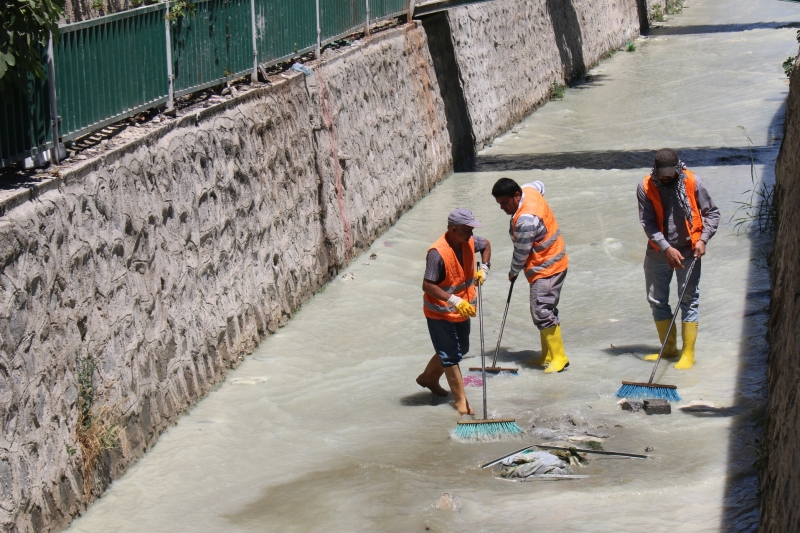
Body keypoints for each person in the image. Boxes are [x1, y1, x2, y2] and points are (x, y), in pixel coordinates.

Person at [637, 148, 720, 369]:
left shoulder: (693, 182)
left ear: (677, 168)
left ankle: (688, 353)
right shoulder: (645, 186)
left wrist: (703, 240)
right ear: (655, 170)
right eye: (661, 173)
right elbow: (647, 223)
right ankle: (669, 348)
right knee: (656, 300)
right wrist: (665, 248)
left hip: (689, 249)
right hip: (658, 251)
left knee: (689, 300)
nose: (665, 177)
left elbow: (712, 214)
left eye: (669, 173)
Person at [416, 208, 491, 415]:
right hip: (439, 312)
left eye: (472, 229)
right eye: (467, 230)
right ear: (453, 229)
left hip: (462, 310)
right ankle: (461, 403)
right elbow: (427, 285)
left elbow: (486, 245)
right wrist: (454, 299)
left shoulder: (470, 241)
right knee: (450, 355)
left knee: (462, 348)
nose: (471, 234)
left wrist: (484, 268)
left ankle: (428, 377)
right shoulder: (437, 253)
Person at [491, 178, 570, 373]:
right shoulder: (529, 190)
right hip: (554, 261)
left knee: (541, 311)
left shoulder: (525, 219)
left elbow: (522, 251)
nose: (502, 207)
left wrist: (512, 272)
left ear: (517, 195)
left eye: (504, 202)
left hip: (547, 267)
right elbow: (540, 184)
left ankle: (560, 358)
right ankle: (548, 354)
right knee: (545, 308)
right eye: (499, 203)